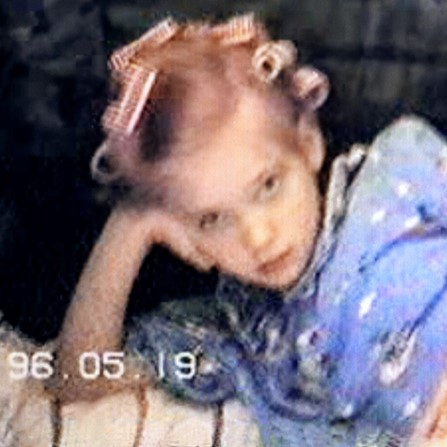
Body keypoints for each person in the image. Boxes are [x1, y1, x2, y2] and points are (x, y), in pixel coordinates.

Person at [55, 14, 447, 447]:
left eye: (268, 186)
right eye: (212, 219)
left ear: (308, 143)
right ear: (183, 236)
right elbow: (80, 380)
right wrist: (132, 225)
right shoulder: (245, 331)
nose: (258, 237)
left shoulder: (394, 174)